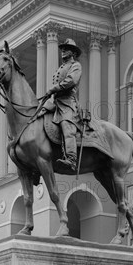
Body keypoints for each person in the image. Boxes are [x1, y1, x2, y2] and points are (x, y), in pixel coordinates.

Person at [45, 38, 83, 172]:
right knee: (39, 117)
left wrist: (53, 89)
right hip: (56, 102)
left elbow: (71, 80)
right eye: (62, 49)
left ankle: (72, 159)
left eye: (66, 49)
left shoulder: (76, 66)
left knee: (67, 127)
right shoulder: (61, 67)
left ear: (72, 53)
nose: (63, 51)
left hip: (68, 102)